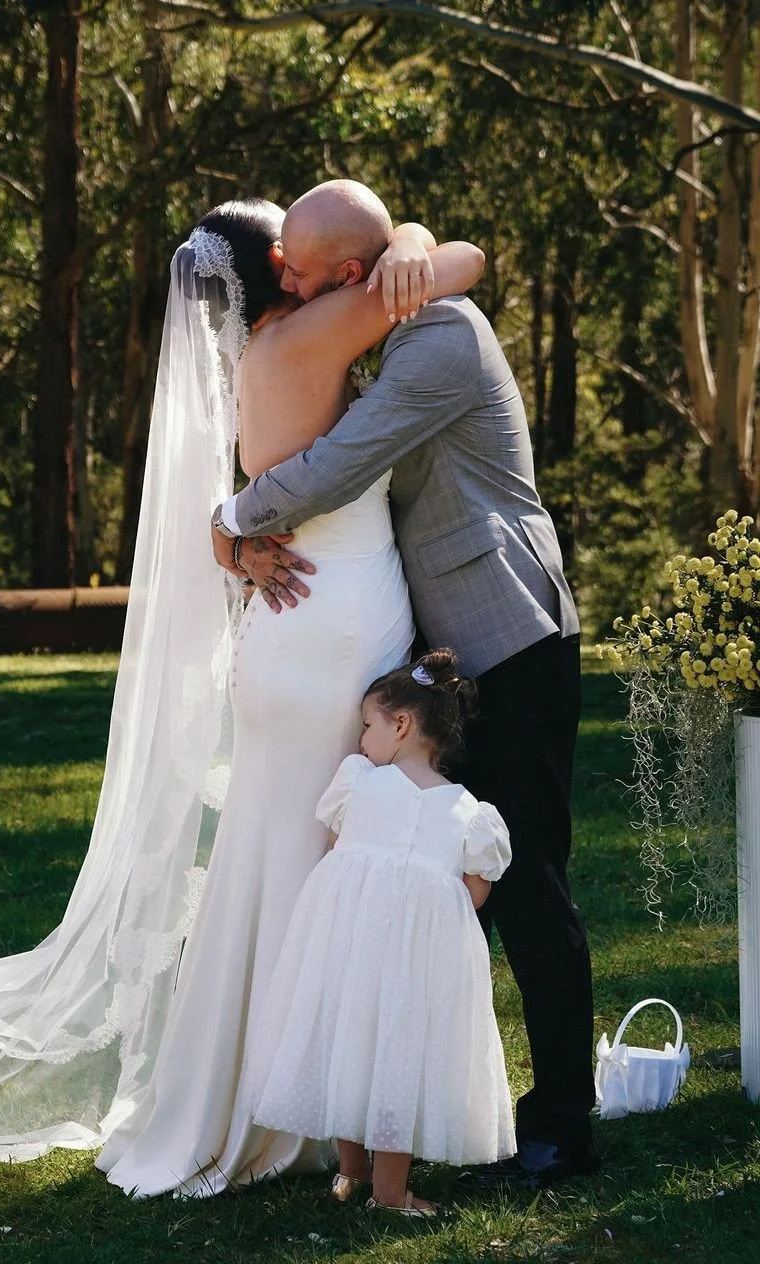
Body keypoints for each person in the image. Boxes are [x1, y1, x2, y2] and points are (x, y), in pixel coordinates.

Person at [212, 180, 597, 1190]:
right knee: (430, 884)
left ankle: (561, 1125)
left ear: (352, 272)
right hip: (445, 645)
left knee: (525, 879)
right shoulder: (395, 317)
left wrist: (229, 521)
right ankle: (415, 1109)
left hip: (510, 634)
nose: (291, 285)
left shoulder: (441, 342)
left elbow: (345, 460)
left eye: (303, 269)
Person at [97, 198, 486, 1197]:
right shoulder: (310, 335)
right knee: (318, 871)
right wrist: (408, 245)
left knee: (269, 865)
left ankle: (246, 1094)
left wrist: (229, 543)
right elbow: (467, 260)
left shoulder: (257, 358)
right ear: (274, 267)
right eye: (290, 256)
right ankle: (294, 1109)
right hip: (335, 627)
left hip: (284, 639)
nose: (302, 268)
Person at [249, 650, 514, 1217]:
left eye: (367, 725)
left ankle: (353, 1174)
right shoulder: (470, 813)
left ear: (401, 725)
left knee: (349, 1044)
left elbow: (336, 850)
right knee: (401, 1060)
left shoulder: (360, 783)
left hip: (352, 947)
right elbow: (474, 892)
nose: (360, 738)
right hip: (418, 964)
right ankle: (388, 1191)